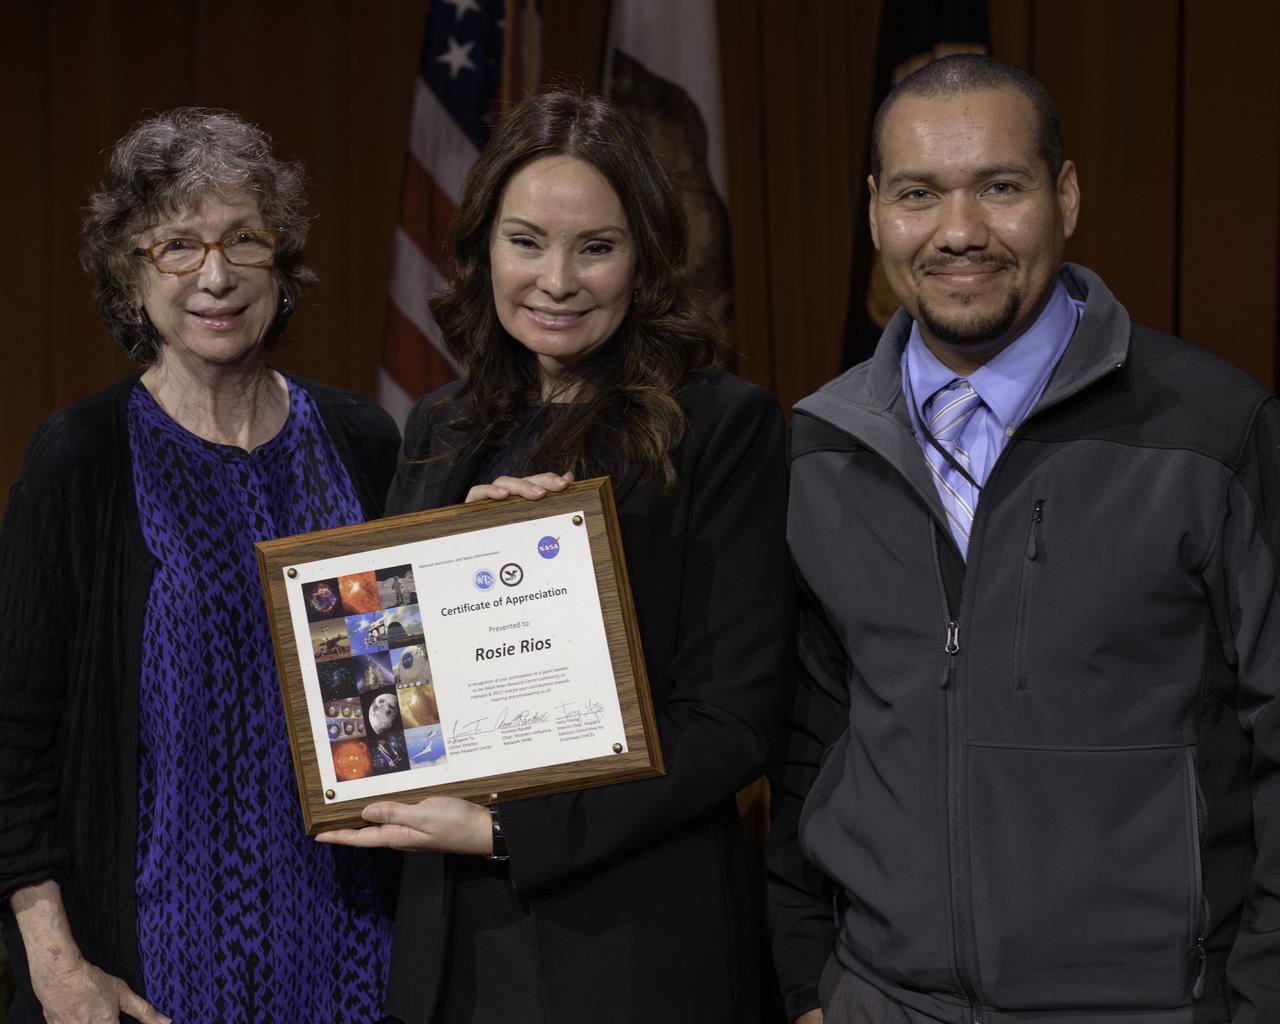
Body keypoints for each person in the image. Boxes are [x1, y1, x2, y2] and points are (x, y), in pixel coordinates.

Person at [768, 53, 1280, 1024]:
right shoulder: (821, 448)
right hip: (881, 1002)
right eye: (918, 194)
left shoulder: (1213, 430)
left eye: (999, 187)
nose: (959, 232)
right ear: (875, 211)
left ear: (1065, 195)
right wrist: (808, 983)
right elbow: (809, 742)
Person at [318, 90, 791, 1023]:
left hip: (630, 948)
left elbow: (733, 721)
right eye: (526, 240)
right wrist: (461, 561)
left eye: (597, 248)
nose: (558, 280)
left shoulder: (722, 426)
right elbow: (382, 696)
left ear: (646, 258)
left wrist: (503, 831)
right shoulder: (436, 429)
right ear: (484, 244)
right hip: (445, 950)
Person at [0, 108, 400, 1023]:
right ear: (129, 273)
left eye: (244, 241)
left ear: (281, 260)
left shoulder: (366, 443)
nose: (214, 276)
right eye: (177, 246)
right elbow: (10, 740)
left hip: (356, 961)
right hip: (141, 980)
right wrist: (57, 968)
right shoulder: (77, 460)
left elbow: (415, 689)